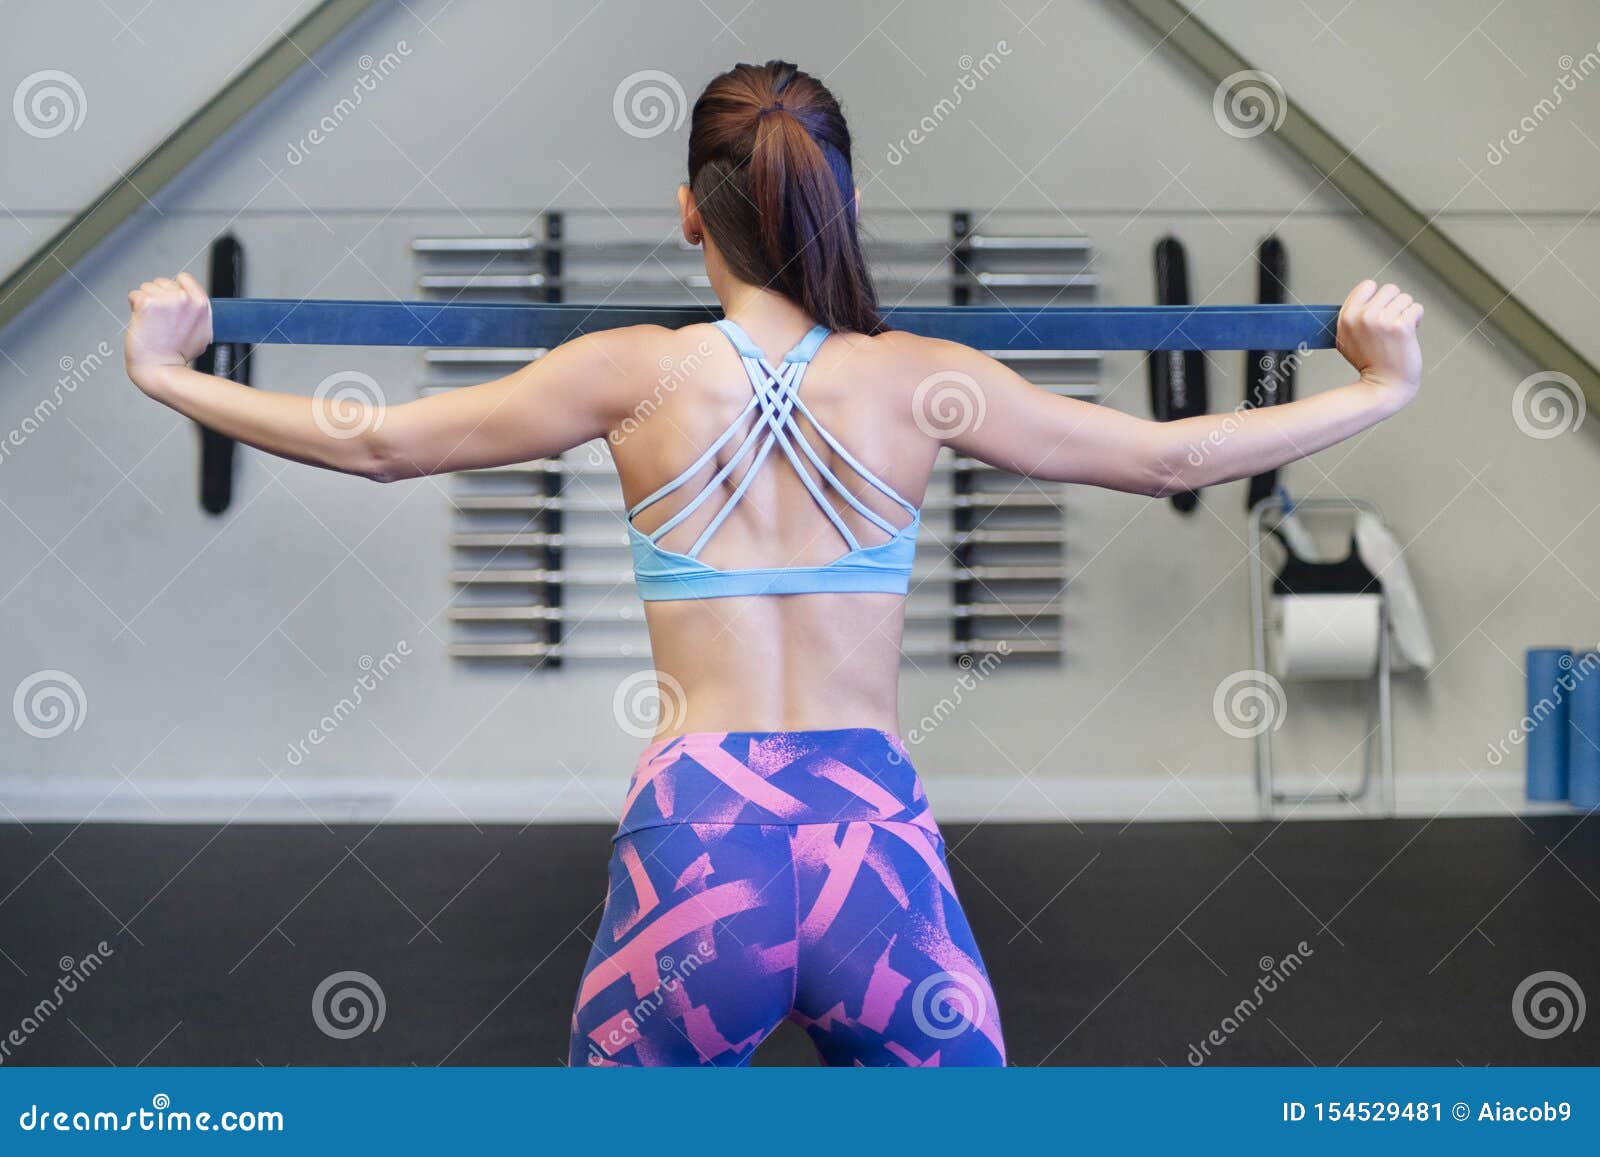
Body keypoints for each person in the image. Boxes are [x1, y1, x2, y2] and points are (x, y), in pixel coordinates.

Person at [123, 60, 1423, 1067]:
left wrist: (167, 369)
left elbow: (380, 444)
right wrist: (1377, 387)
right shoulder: (924, 384)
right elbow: (1169, 458)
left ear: (692, 211)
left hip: (704, 850)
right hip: (877, 856)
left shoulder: (635, 372)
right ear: (839, 201)